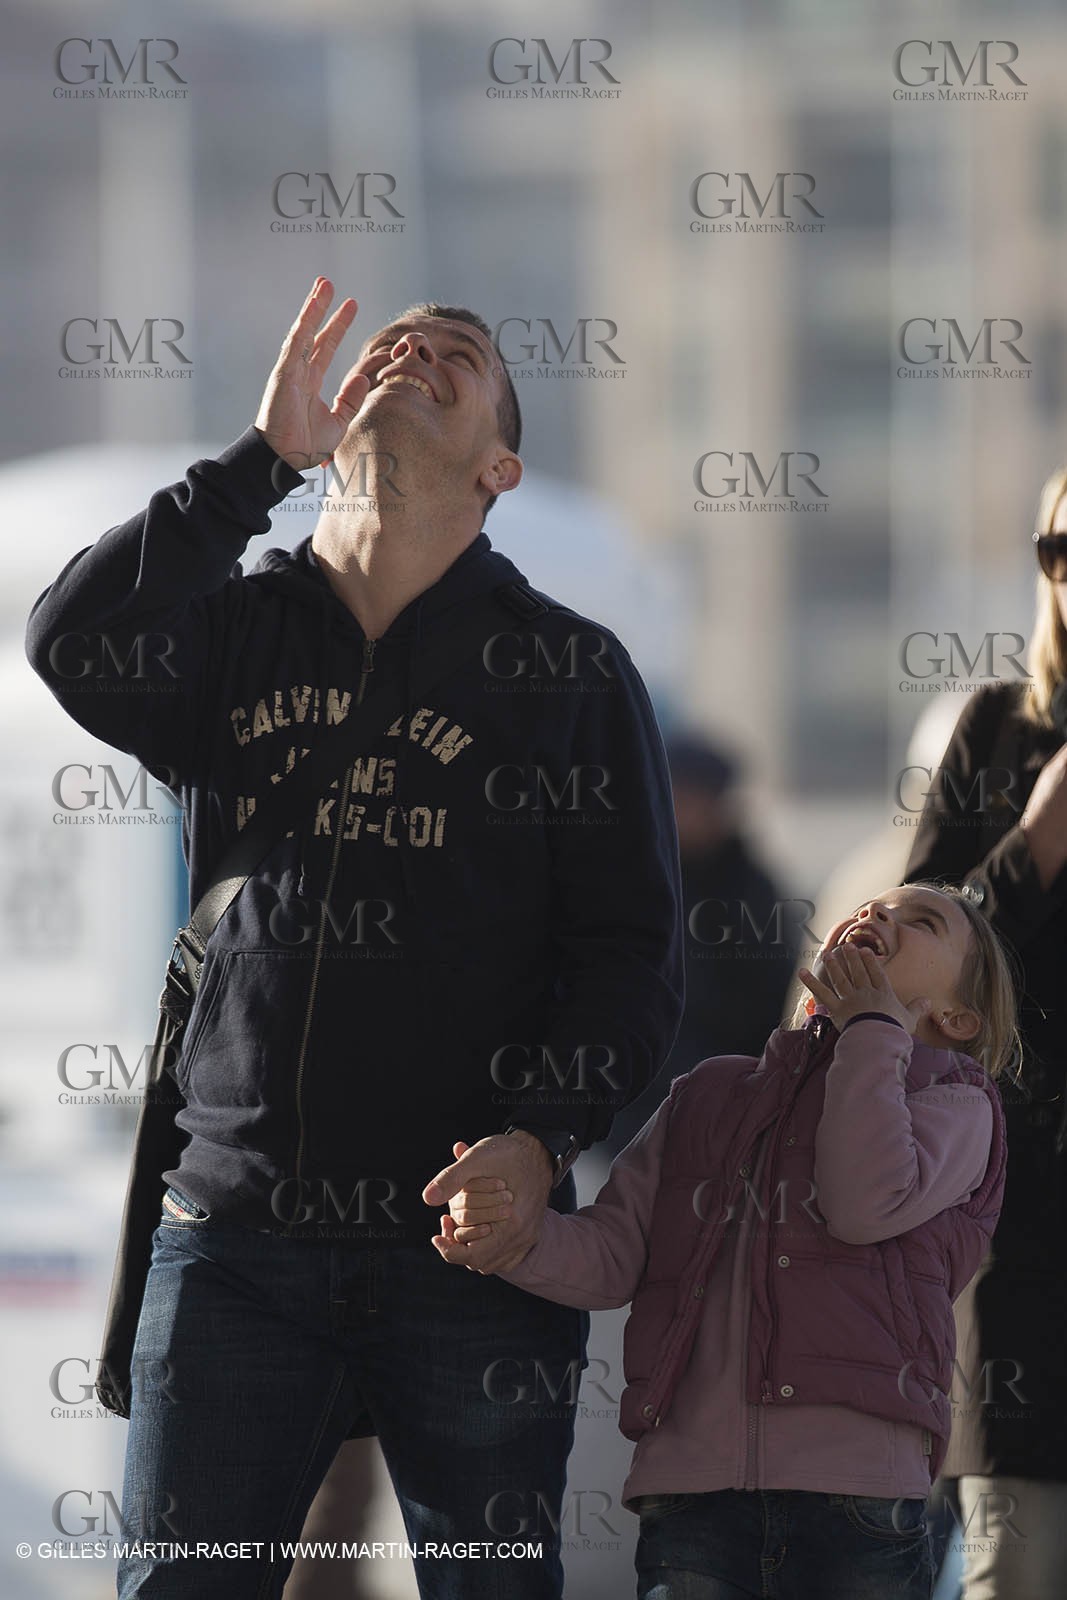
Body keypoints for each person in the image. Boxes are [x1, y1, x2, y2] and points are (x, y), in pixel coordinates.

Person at [24, 278, 684, 1599]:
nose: (414, 352)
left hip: (469, 1246)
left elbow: (628, 955)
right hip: (232, 1230)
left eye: (458, 358)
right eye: (395, 345)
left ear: (498, 464)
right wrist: (258, 465)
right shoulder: (237, 630)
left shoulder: (562, 669)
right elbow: (71, 640)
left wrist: (538, 1136)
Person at [434, 882, 1015, 1599]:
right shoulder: (708, 1094)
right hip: (692, 1493)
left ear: (958, 1017)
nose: (876, 918)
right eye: (869, 909)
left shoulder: (955, 1103)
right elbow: (615, 1257)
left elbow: (862, 1204)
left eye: (920, 922)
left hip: (857, 1496)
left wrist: (871, 1031)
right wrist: (512, 1237)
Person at [904, 466, 1067, 1599]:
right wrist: (1034, 847)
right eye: (1061, 548)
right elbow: (913, 963)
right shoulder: (997, 731)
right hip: (1026, 1261)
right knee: (1013, 1569)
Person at [607, 734, 795, 1155]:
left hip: (725, 1107)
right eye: (677, 796)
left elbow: (773, 1004)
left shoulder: (752, 889)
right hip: (624, 1114)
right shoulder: (624, 879)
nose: (687, 812)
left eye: (700, 799)